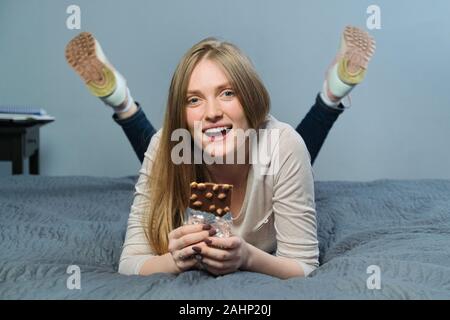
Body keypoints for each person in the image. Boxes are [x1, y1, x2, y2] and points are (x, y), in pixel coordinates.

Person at [65, 27, 375, 279]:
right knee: (163, 148)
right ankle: (120, 100)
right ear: (182, 113)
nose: (212, 111)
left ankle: (331, 95)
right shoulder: (167, 145)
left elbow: (304, 265)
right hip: (181, 144)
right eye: (194, 100)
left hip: (272, 145)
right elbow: (130, 263)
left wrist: (248, 257)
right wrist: (174, 261)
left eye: (228, 93)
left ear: (250, 98)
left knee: (289, 146)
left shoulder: (283, 145)